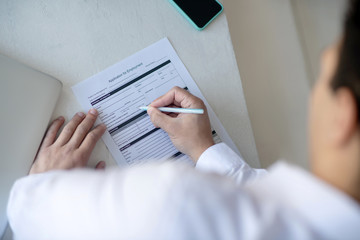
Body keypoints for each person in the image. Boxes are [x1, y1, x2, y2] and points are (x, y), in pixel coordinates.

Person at [7, 0, 360, 239]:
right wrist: (205, 149)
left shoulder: (175, 203)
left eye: (323, 75)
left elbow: (27, 215)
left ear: (343, 115)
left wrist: (43, 185)